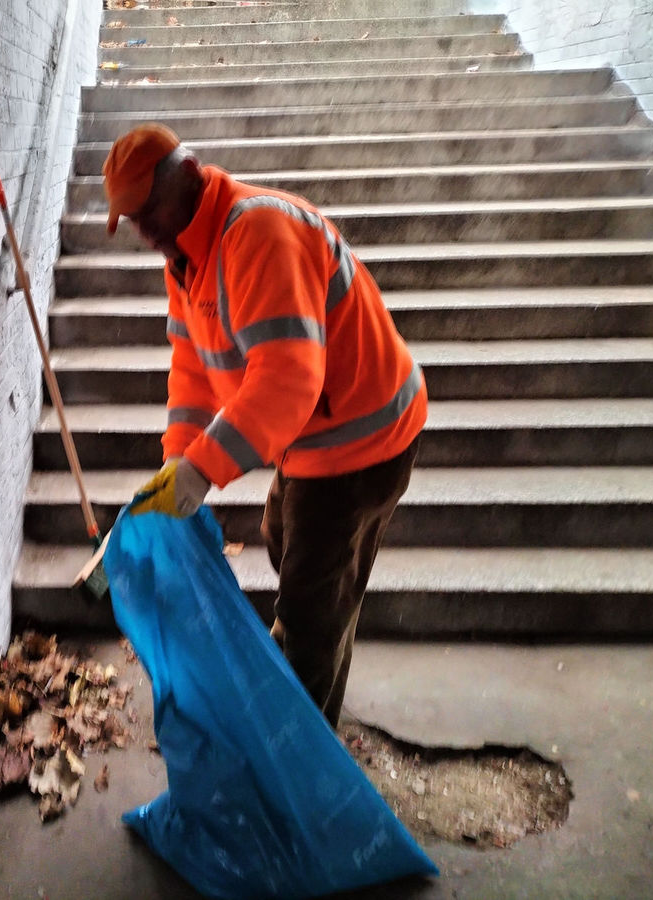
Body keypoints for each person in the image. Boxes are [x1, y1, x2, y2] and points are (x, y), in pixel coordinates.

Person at [103, 123, 427, 729]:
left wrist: (202, 470)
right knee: (286, 540)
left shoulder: (256, 234)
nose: (144, 230)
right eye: (131, 219)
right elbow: (192, 367)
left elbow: (287, 382)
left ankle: (300, 755)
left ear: (190, 175)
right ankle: (320, 632)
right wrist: (178, 458)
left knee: (310, 611)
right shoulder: (184, 258)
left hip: (362, 440)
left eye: (149, 209)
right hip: (312, 439)